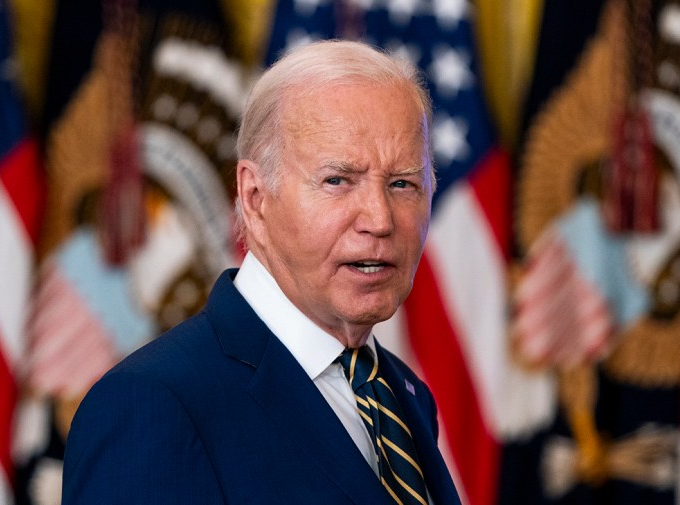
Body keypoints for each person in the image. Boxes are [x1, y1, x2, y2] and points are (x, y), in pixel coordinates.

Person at [61, 39, 462, 505]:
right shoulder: (151, 406)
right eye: (337, 181)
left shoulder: (402, 395)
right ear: (254, 197)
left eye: (402, 183)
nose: (379, 219)